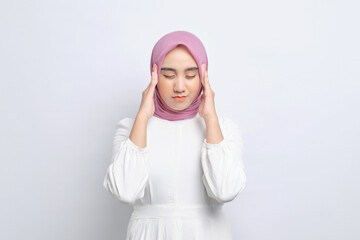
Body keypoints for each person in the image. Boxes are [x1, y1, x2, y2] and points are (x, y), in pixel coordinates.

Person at [103, 30, 246, 240]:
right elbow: (125, 191)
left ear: (204, 76)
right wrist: (143, 117)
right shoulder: (130, 129)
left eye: (190, 75)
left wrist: (211, 119)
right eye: (168, 75)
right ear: (154, 74)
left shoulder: (225, 130)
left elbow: (225, 191)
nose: (180, 87)